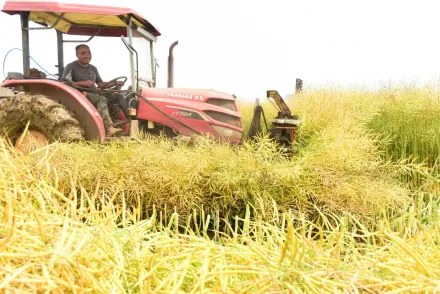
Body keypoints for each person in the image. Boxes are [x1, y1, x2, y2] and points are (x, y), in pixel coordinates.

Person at [61, 44, 129, 137]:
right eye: (83, 53)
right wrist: (82, 83)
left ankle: (115, 121)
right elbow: (64, 83)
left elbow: (100, 84)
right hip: (80, 94)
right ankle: (109, 128)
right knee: (101, 99)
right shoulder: (71, 66)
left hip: (93, 93)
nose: (87, 55)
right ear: (77, 55)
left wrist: (114, 83)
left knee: (114, 96)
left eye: (89, 53)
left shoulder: (93, 68)